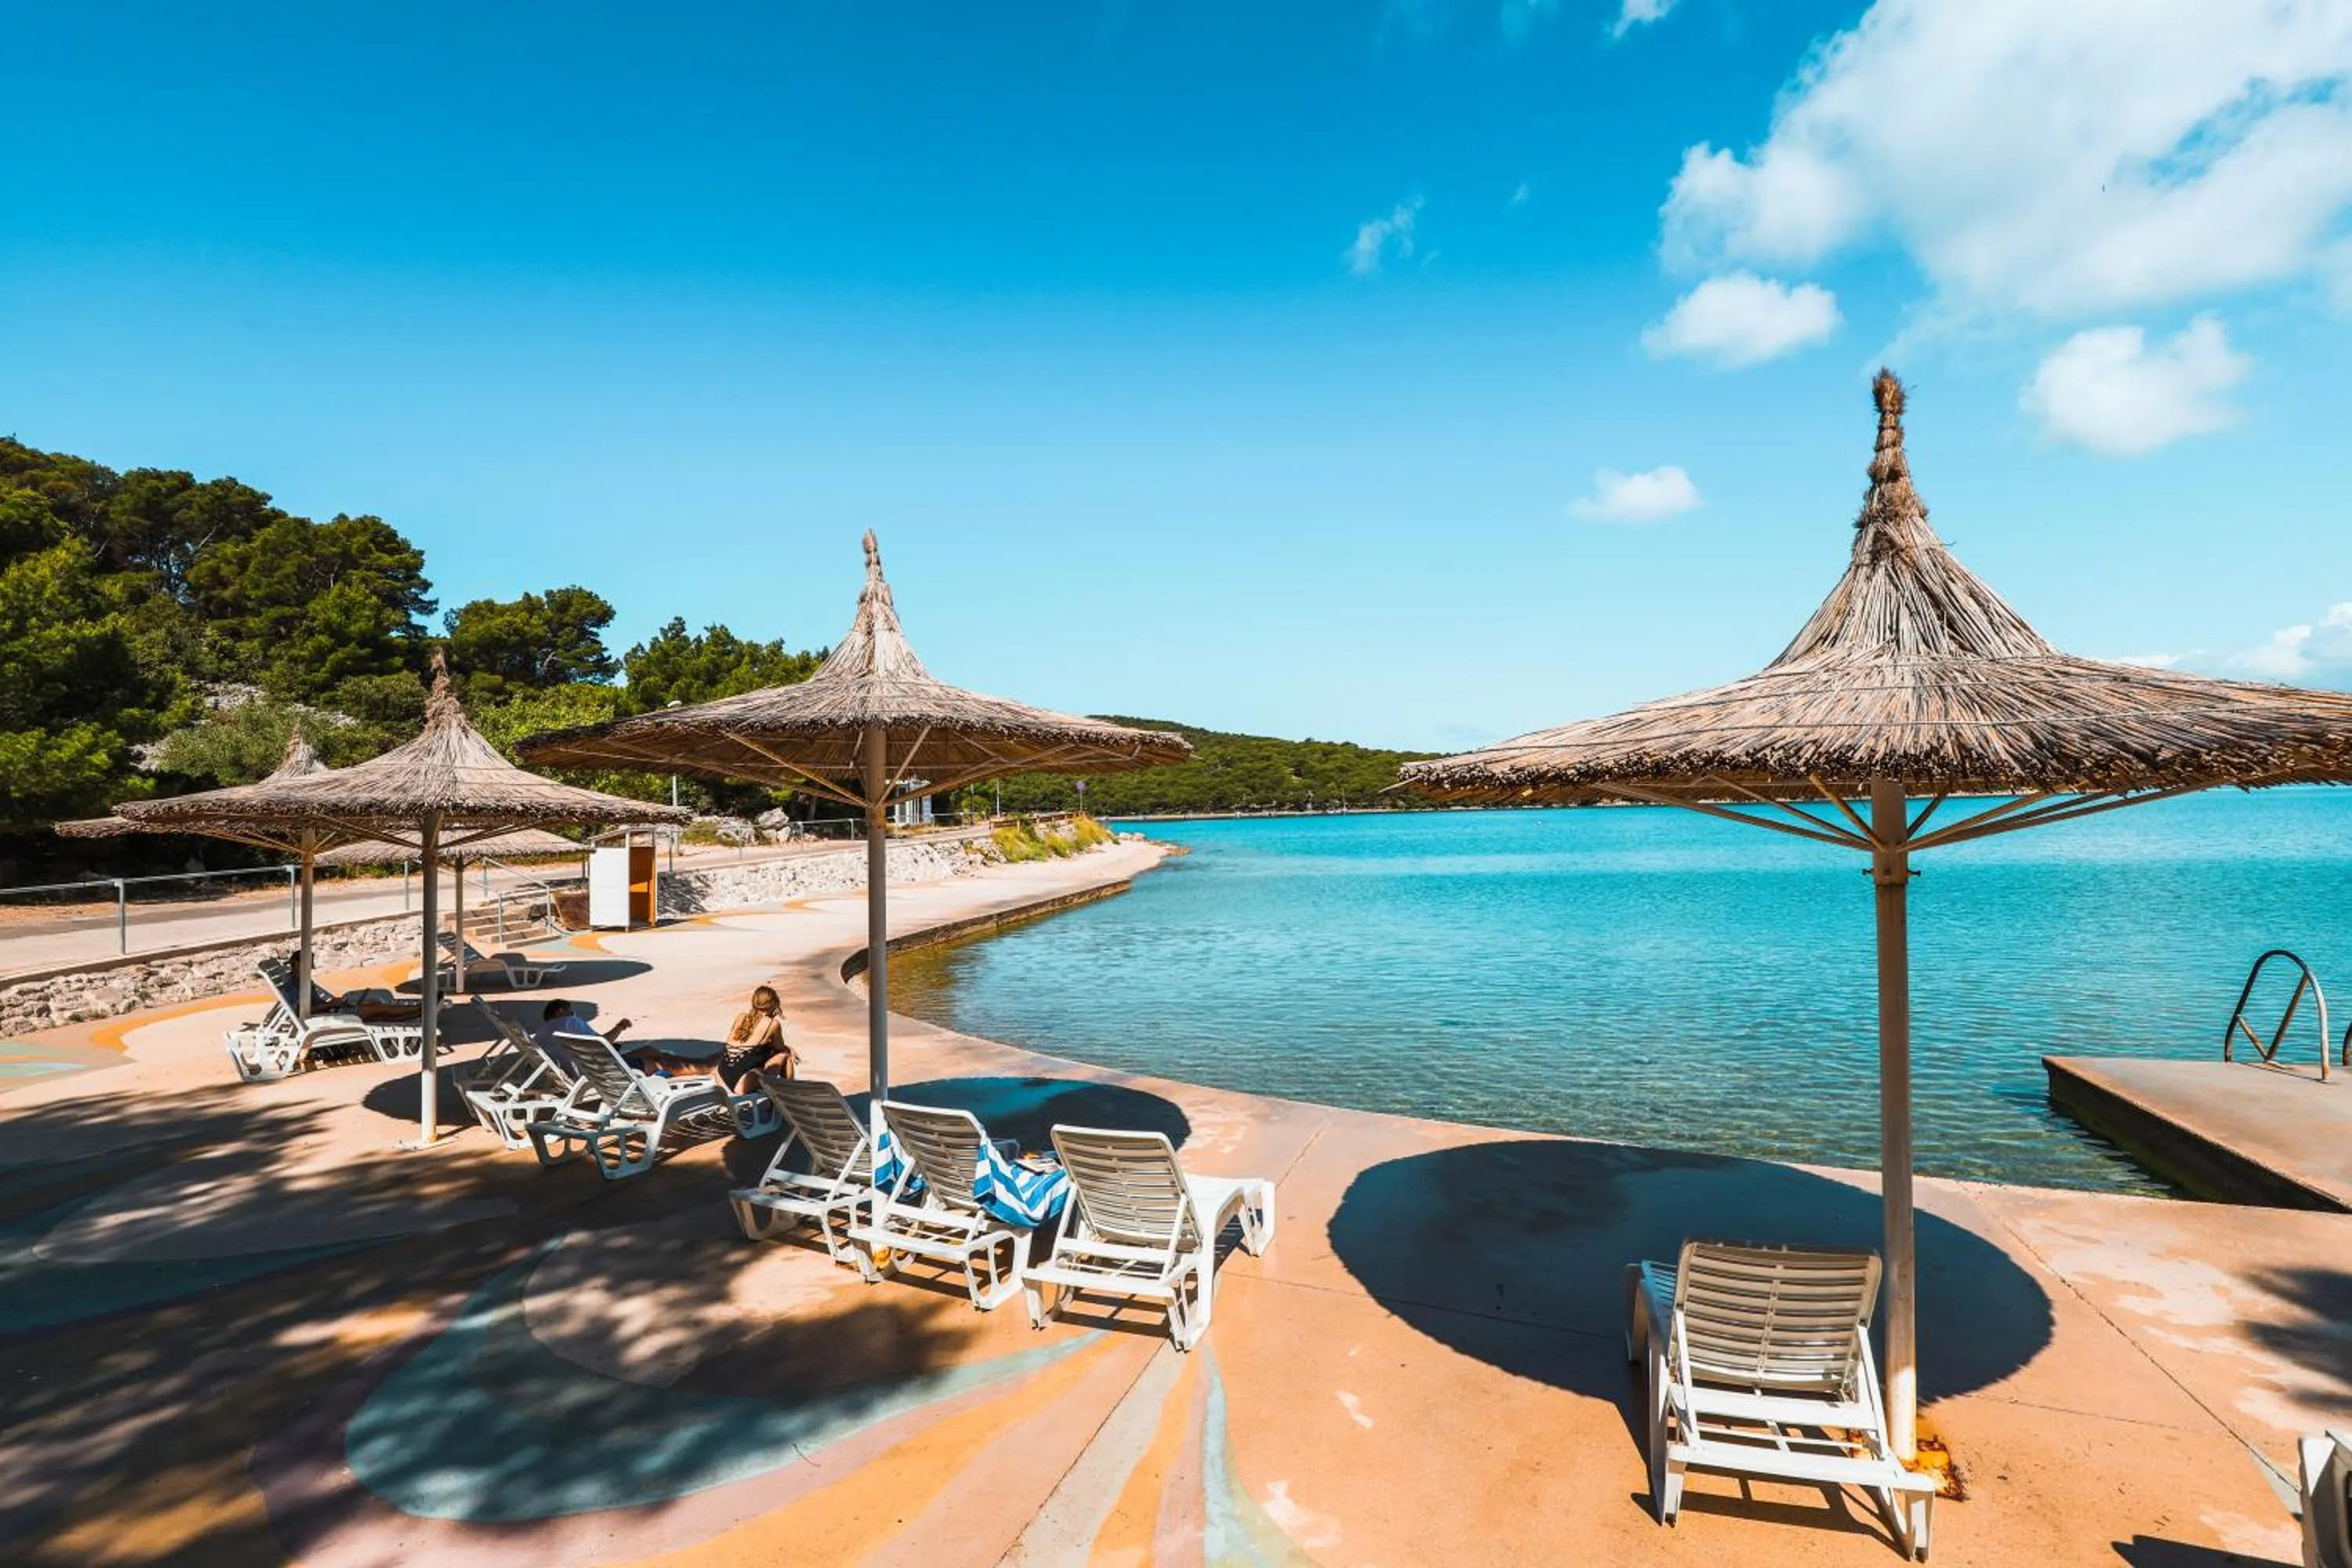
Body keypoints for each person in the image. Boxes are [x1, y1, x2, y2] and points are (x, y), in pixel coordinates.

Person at [714, 985, 795, 1093]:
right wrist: (789, 1049)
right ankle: (790, 1094)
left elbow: (745, 1043)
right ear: (773, 1004)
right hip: (743, 1083)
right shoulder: (772, 1024)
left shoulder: (741, 1017)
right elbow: (779, 1048)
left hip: (722, 1076)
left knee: (757, 1056)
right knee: (785, 1055)